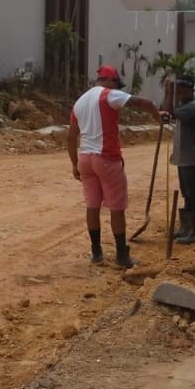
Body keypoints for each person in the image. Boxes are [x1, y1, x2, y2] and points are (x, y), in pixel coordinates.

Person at [67, 64, 163, 268]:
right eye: (116, 83)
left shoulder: (79, 102)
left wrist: (75, 164)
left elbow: (70, 136)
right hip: (106, 159)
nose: (117, 88)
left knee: (92, 206)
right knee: (116, 208)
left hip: (86, 158)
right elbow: (145, 102)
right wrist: (158, 116)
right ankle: (121, 256)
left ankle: (96, 253)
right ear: (109, 81)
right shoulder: (109, 95)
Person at [163, 76, 195, 244]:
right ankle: (186, 227)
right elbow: (165, 112)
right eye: (178, 91)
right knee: (186, 193)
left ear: (191, 91)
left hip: (191, 158)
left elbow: (168, 112)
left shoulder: (193, 107)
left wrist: (169, 92)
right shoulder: (184, 105)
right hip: (183, 157)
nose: (180, 94)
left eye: (183, 91)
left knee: (193, 193)